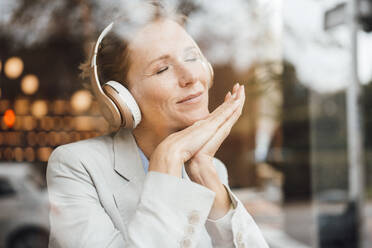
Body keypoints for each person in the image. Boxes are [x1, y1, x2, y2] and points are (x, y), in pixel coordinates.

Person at [47, 3, 268, 248]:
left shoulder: (209, 168)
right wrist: (169, 157)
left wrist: (206, 174)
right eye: (162, 69)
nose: (191, 76)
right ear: (120, 99)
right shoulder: (76, 166)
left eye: (192, 57)